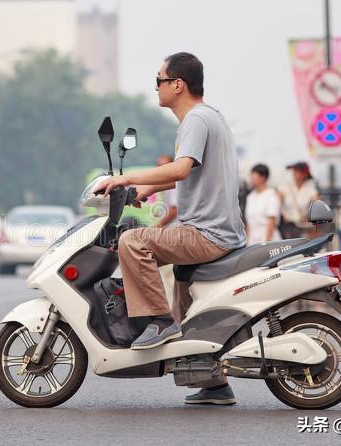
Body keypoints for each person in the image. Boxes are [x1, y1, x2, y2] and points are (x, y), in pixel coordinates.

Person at [94, 52, 245, 405]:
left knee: (132, 241)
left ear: (178, 85)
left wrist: (125, 177)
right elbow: (189, 173)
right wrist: (146, 189)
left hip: (205, 232)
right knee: (187, 309)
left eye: (159, 81)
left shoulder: (194, 120)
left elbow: (179, 170)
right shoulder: (212, 117)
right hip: (220, 231)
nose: (156, 88)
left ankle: (159, 322)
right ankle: (214, 384)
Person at [278, 161, 319, 239]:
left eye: (297, 171)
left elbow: (316, 204)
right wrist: (284, 214)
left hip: (303, 225)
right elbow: (278, 203)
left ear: (304, 174)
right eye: (294, 171)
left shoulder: (310, 187)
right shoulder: (285, 186)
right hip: (287, 226)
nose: (294, 173)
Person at [245, 164, 282, 245]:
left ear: (263, 178)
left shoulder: (271, 195)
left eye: (254, 177)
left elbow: (271, 221)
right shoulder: (250, 197)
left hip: (268, 239)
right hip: (252, 240)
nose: (251, 180)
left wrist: (266, 244)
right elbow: (249, 223)